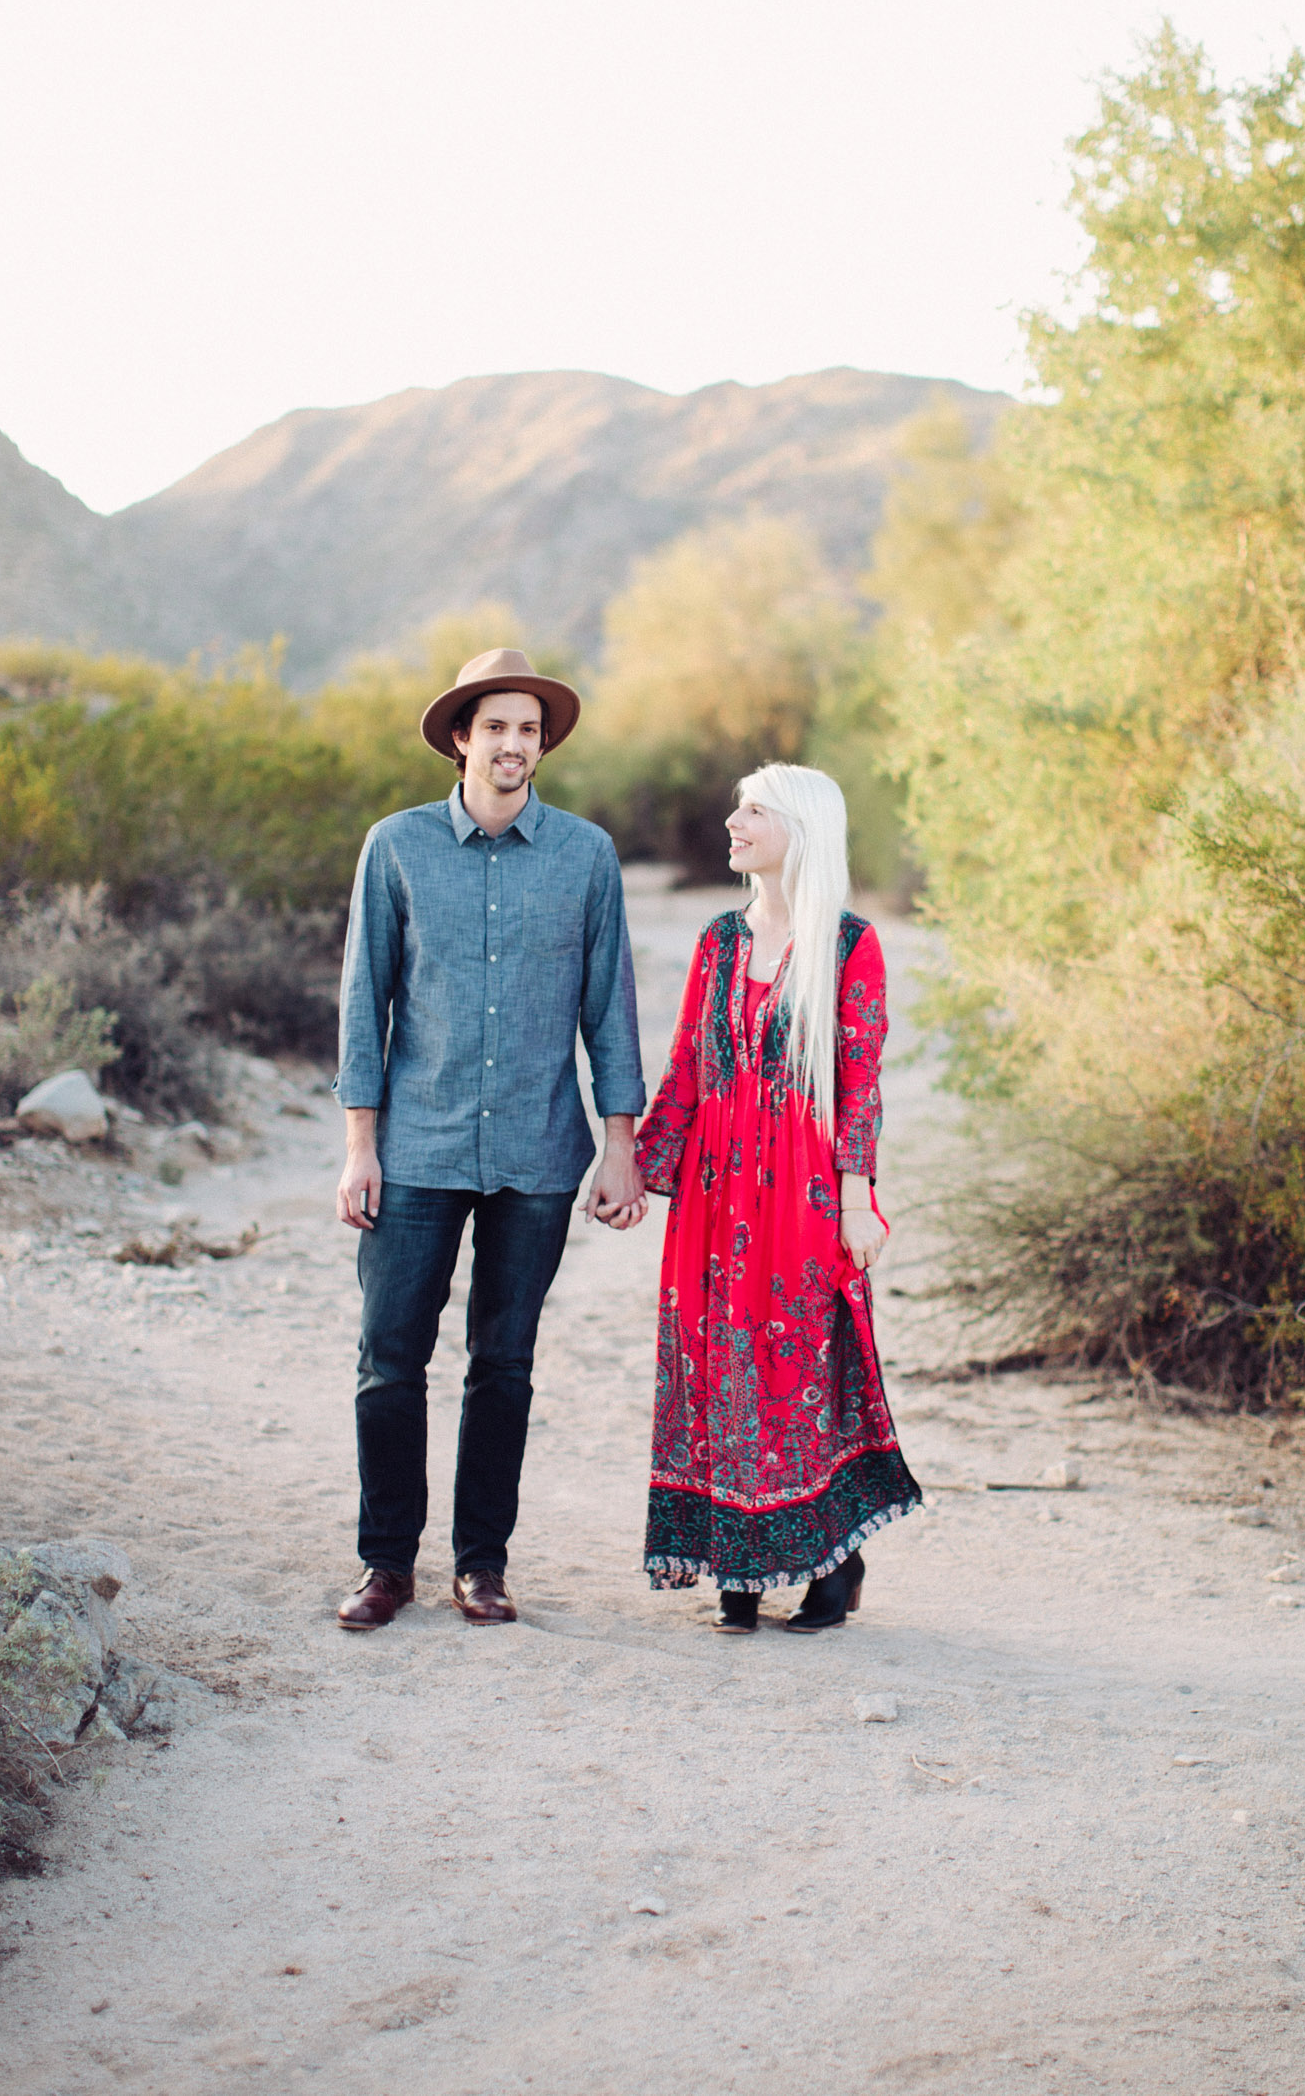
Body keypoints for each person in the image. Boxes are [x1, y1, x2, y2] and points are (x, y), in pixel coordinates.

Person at [333, 646, 647, 1632]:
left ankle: (482, 1565)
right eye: (497, 726)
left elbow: (611, 1005)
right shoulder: (396, 847)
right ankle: (387, 1566)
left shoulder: (585, 856)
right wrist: (360, 1145)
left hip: (538, 1152)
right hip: (417, 1148)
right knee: (391, 1359)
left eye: (529, 728)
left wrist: (620, 1141)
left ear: (541, 743)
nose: (514, 744)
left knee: (503, 1363)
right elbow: (362, 1003)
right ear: (462, 738)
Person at [634, 762, 920, 1632]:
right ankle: (739, 1569)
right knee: (713, 1361)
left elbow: (859, 1083)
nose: (734, 820)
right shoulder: (719, 940)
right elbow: (687, 1062)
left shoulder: (847, 945)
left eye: (753, 808)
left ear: (800, 827)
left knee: (796, 1362)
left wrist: (856, 1198)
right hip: (715, 1192)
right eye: (735, 805)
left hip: (799, 1188)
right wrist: (639, 1168)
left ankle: (835, 1562)